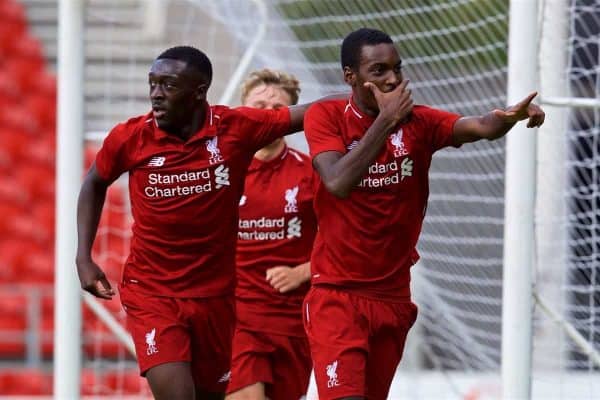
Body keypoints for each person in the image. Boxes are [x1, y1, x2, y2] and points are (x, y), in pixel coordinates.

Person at [302, 28, 545, 400]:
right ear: (351, 77)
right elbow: (337, 182)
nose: (393, 79)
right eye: (379, 70)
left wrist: (508, 118)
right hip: (338, 295)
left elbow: (478, 125)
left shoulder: (419, 122)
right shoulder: (326, 116)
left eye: (397, 68)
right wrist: (385, 122)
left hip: (393, 296)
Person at [75, 46, 324, 400]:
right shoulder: (131, 137)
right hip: (154, 293)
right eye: (153, 84)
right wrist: (83, 256)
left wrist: (367, 93)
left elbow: (314, 112)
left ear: (199, 91)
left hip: (218, 300)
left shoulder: (237, 133)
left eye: (168, 85)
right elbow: (94, 181)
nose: (156, 94)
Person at [225, 69, 317, 400]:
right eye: (258, 104)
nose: (267, 113)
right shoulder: (223, 170)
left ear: (290, 117)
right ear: (242, 110)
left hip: (291, 319)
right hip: (236, 315)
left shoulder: (311, 173)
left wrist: (303, 271)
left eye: (277, 107)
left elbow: (344, 240)